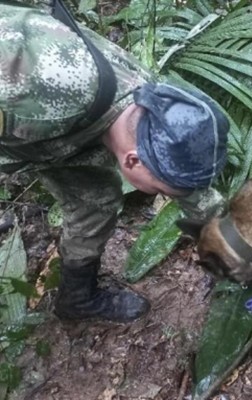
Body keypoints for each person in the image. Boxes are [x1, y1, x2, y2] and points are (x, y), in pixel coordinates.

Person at [0, 1, 229, 322]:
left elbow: (185, 183)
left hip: (58, 136)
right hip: (24, 111)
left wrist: (231, 238)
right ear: (133, 161)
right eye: (160, 190)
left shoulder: (150, 104)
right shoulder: (36, 89)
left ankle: (76, 299)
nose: (167, 194)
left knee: (95, 201)